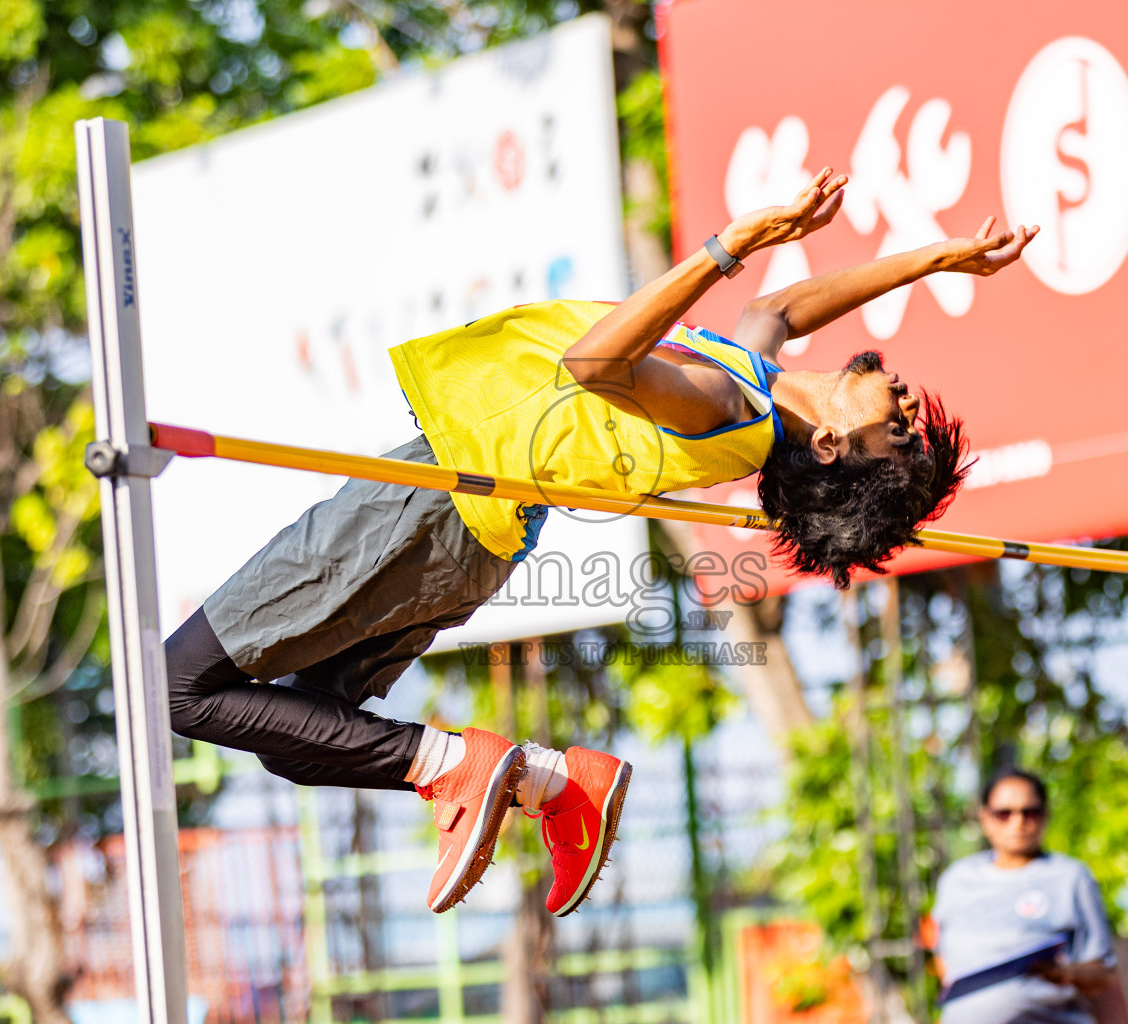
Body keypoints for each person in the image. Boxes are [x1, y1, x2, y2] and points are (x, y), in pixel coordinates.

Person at [165, 166, 1039, 917]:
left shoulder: (727, 407)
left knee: (176, 685)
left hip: (437, 504)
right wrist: (937, 258)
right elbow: (779, 305)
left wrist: (727, 246)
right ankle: (553, 784)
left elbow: (594, 364)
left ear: (832, 445)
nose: (907, 405)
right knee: (299, 738)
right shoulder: (757, 382)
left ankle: (462, 764)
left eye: (898, 431)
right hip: (462, 536)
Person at [930, 769, 1123, 1024]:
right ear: (985, 818)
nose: (1017, 822)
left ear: (1045, 816)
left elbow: (1103, 976)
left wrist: (1065, 973)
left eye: (1029, 812)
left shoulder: (1070, 877)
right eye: (1004, 814)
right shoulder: (956, 878)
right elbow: (941, 952)